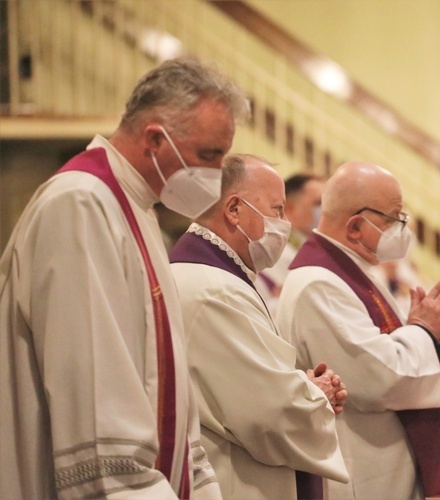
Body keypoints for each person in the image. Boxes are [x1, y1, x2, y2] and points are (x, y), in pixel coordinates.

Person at [0, 56, 247, 498]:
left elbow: (163, 382)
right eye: (209, 156)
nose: (215, 175)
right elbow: (96, 397)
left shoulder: (136, 210)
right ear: (156, 138)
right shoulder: (80, 205)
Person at [276, 161, 440, 499]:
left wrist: (429, 333)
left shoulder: (355, 272)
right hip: (363, 471)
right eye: (394, 219)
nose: (402, 229)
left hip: (386, 464)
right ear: (355, 227)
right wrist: (424, 329)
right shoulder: (318, 285)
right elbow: (378, 378)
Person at [168, 154, 349, 499]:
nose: (284, 223)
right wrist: (316, 395)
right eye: (277, 210)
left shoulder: (210, 276)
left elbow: (240, 385)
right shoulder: (215, 290)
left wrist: (298, 384)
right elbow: (267, 415)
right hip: (237, 478)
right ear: (234, 209)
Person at [257, 172, 325, 314]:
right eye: (318, 203)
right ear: (290, 209)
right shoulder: (271, 252)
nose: (324, 211)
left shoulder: (314, 252)